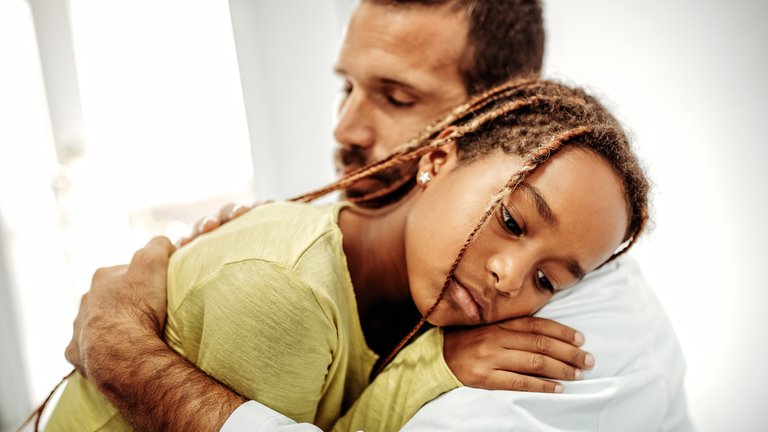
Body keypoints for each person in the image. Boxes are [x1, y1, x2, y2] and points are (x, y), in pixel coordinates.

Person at [60, 0, 693, 431]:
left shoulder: (563, 344)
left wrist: (123, 351)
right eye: (348, 87)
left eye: (397, 96)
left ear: (488, 114)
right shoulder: (293, 288)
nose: (345, 128)